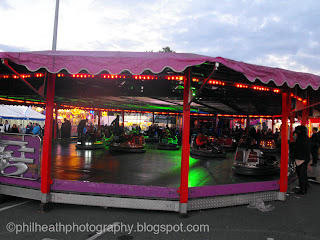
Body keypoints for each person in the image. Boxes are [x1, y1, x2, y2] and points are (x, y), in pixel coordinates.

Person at [293, 125, 311, 194]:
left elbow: (297, 148)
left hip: (300, 158)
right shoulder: (306, 137)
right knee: (304, 173)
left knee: (301, 174)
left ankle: (302, 190)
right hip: (306, 158)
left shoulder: (300, 138)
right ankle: (305, 186)